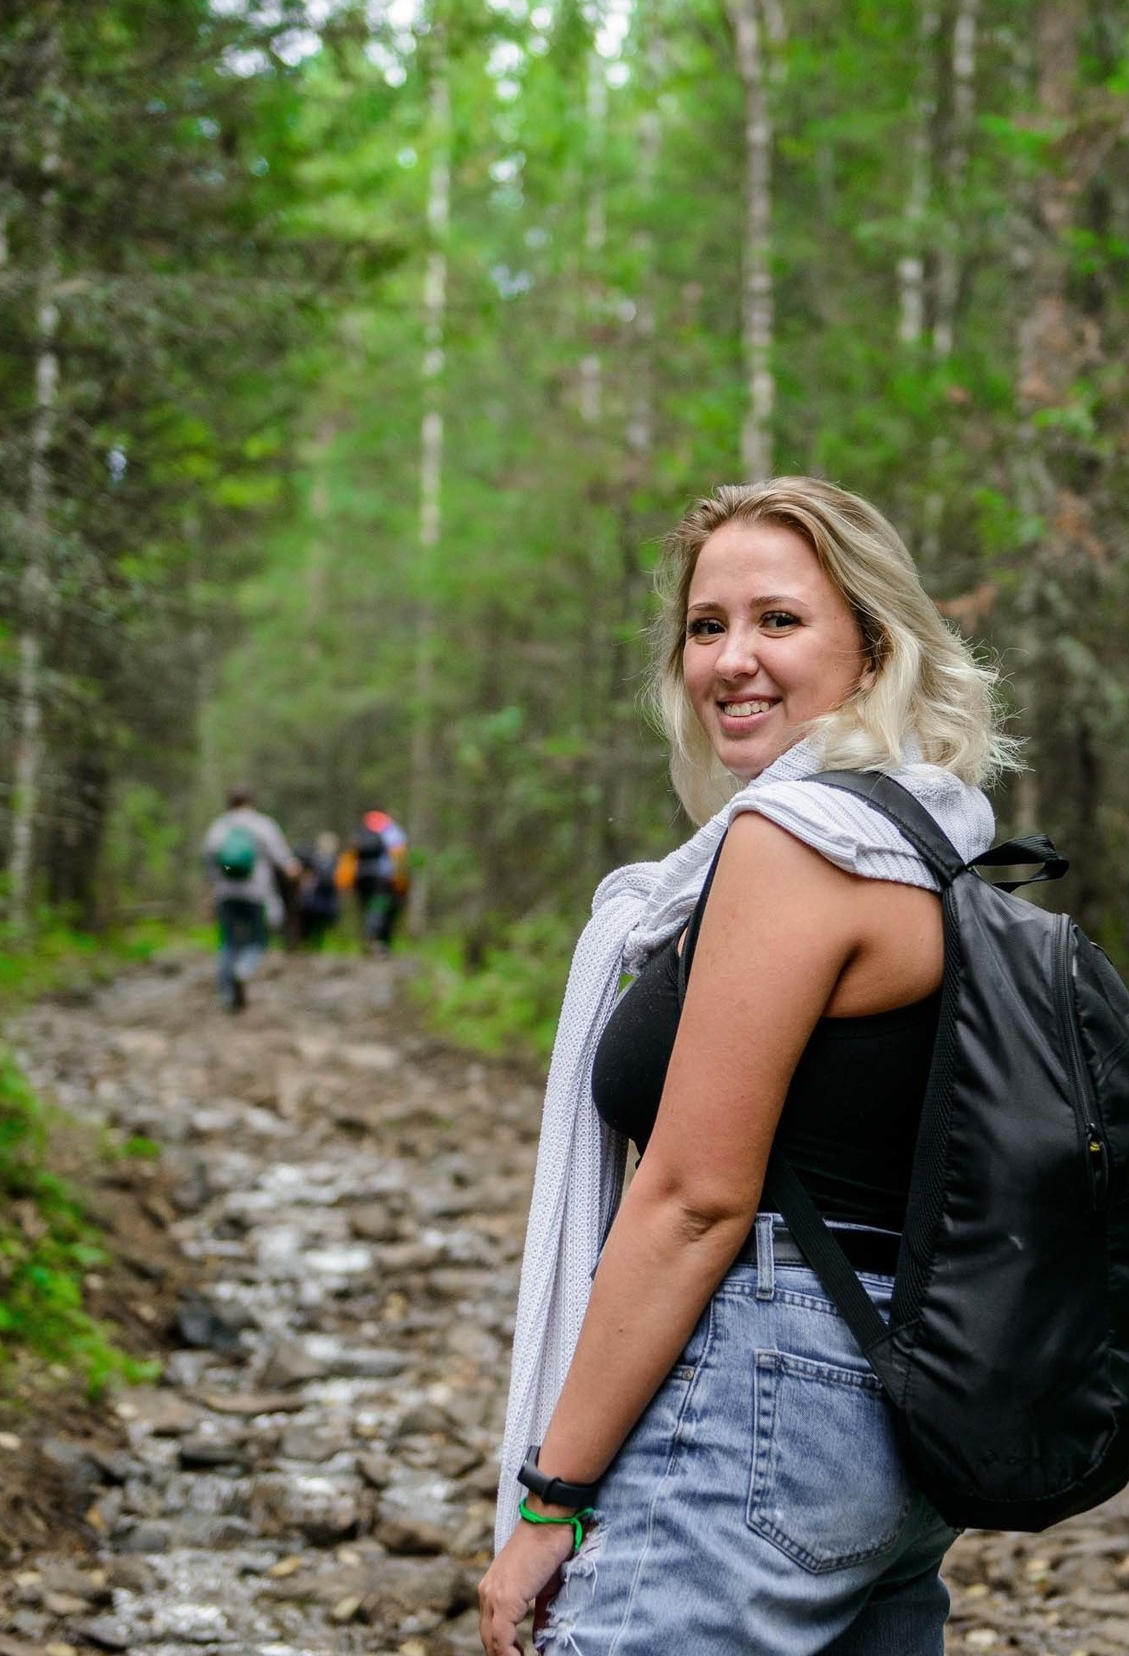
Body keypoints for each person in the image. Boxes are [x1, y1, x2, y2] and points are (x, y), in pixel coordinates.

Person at [479, 477, 1013, 1656]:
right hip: (896, 1391)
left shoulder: (797, 846)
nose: (731, 659)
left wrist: (550, 1498)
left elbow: (692, 1201)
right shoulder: (923, 836)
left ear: (873, 649)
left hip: (768, 1385)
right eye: (706, 625)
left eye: (778, 620)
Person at [202, 786, 302, 1012]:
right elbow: (283, 858)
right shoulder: (263, 824)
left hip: (225, 893)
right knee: (258, 940)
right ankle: (244, 970)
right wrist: (293, 871)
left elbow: (209, 862)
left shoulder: (219, 826)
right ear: (250, 801)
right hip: (256, 892)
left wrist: (209, 893)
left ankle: (226, 996)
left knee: (228, 942)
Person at [341, 807, 410, 954]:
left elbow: (351, 855)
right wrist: (400, 880)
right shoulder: (391, 830)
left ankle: (368, 939)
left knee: (366, 907)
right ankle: (374, 939)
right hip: (382, 878)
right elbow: (399, 854)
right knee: (378, 907)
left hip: (360, 876)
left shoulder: (364, 828)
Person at [294, 829, 342, 947]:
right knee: (320, 928)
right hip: (325, 900)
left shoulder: (312, 859)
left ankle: (306, 945)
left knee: (309, 926)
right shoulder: (336, 861)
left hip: (312, 900)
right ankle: (314, 945)